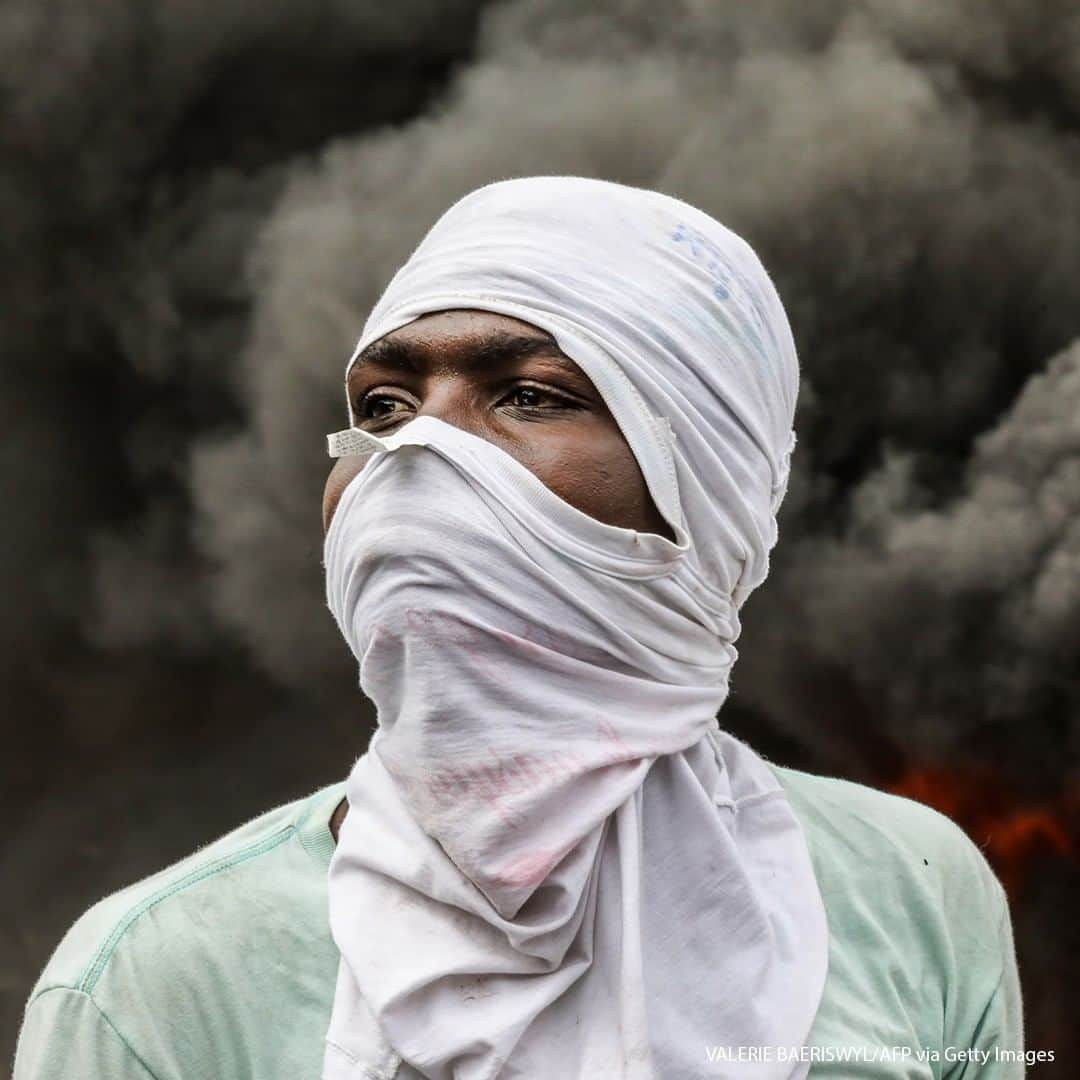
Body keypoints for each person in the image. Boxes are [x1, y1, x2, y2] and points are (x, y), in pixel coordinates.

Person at [14, 178, 1024, 1079]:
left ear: (713, 491)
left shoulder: (911, 896)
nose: (417, 452)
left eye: (530, 396)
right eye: (381, 407)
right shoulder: (153, 986)